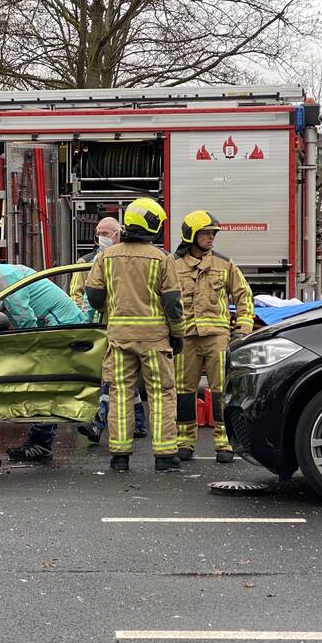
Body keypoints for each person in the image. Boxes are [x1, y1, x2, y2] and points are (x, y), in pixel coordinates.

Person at [0, 248, 87, 461]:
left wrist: (25, 347)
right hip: (56, 327)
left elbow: (24, 317)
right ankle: (42, 440)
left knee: (43, 385)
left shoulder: (0, 278)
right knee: (46, 385)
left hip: (60, 329)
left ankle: (41, 441)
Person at [85, 197, 185, 473]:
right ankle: (165, 455)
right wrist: (178, 334)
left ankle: (120, 455)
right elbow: (173, 303)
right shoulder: (162, 258)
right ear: (151, 225)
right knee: (161, 394)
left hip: (119, 339)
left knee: (119, 394)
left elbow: (93, 295)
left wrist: (111, 309)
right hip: (155, 340)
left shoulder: (107, 256)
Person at [172, 211, 254, 464]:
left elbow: (244, 296)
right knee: (184, 392)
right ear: (191, 236)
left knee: (221, 391)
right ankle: (184, 441)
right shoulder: (173, 265)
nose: (211, 238)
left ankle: (224, 442)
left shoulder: (224, 264)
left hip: (217, 337)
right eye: (206, 233)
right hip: (185, 336)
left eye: (213, 234)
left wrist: (243, 329)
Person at [72, 217, 147, 445]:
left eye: (106, 233)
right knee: (117, 377)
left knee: (115, 376)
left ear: (118, 233)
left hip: (122, 327)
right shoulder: (86, 262)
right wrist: (83, 325)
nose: (102, 237)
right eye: (99, 233)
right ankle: (135, 423)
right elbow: (78, 295)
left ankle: (101, 423)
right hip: (101, 328)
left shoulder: (123, 258)